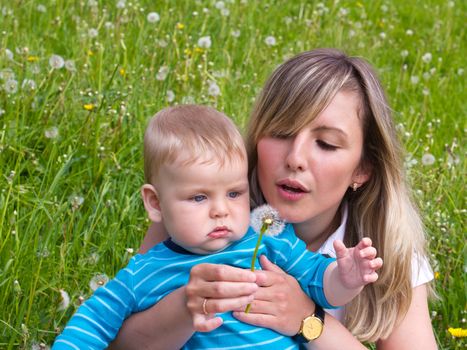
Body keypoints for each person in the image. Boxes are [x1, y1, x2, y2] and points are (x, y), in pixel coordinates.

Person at [109, 49, 437, 349]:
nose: (296, 158)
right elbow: (119, 340)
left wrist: (309, 320)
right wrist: (184, 307)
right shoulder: (202, 215)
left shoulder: (385, 252)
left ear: (363, 169)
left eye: (325, 144)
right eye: (281, 133)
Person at [53, 104, 382, 349]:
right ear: (155, 203)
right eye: (198, 198)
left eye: (235, 193)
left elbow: (320, 282)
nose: (221, 211)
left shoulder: (267, 241)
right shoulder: (146, 270)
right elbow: (93, 324)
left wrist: (346, 278)